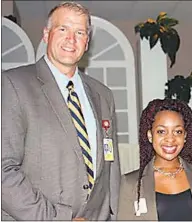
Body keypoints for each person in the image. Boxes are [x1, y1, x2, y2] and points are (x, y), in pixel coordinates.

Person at [2, 2, 120, 220]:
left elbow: (110, 168)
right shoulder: (13, 84)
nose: (71, 39)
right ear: (46, 35)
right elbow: (4, 170)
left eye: (80, 32)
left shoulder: (103, 95)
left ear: (87, 43)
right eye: (63, 29)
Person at [117, 98, 192, 220]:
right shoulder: (131, 183)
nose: (170, 139)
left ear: (185, 136)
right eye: (161, 131)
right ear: (150, 135)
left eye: (177, 131)